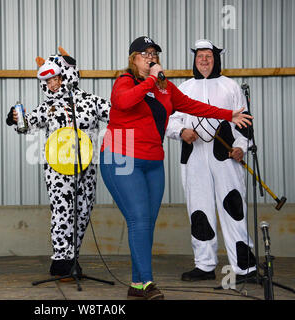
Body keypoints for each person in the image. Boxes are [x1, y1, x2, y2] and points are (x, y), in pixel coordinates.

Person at [99, 36, 253, 300]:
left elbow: (194, 106)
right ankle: (146, 283)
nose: (151, 57)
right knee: (138, 219)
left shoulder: (166, 88)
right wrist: (150, 79)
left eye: (154, 53)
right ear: (133, 58)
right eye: (145, 53)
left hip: (152, 158)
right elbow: (124, 102)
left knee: (146, 222)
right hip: (121, 153)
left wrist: (229, 115)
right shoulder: (126, 81)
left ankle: (137, 285)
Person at [6, 47, 110, 277]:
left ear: (67, 76)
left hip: (87, 168)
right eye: (48, 81)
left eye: (56, 78)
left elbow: (115, 115)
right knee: (62, 211)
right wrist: (15, 117)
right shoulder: (48, 106)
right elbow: (27, 123)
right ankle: (60, 259)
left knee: (83, 210)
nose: (52, 84)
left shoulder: (91, 101)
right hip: (57, 168)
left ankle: (72, 256)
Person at [165, 39, 257, 282]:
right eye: (200, 56)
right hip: (194, 158)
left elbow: (244, 122)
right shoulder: (184, 88)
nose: (204, 60)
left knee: (233, 208)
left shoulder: (231, 87)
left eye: (208, 56)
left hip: (225, 158)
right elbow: (171, 120)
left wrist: (240, 147)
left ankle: (245, 267)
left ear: (216, 59)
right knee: (199, 210)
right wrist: (181, 132)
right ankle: (205, 265)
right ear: (194, 60)